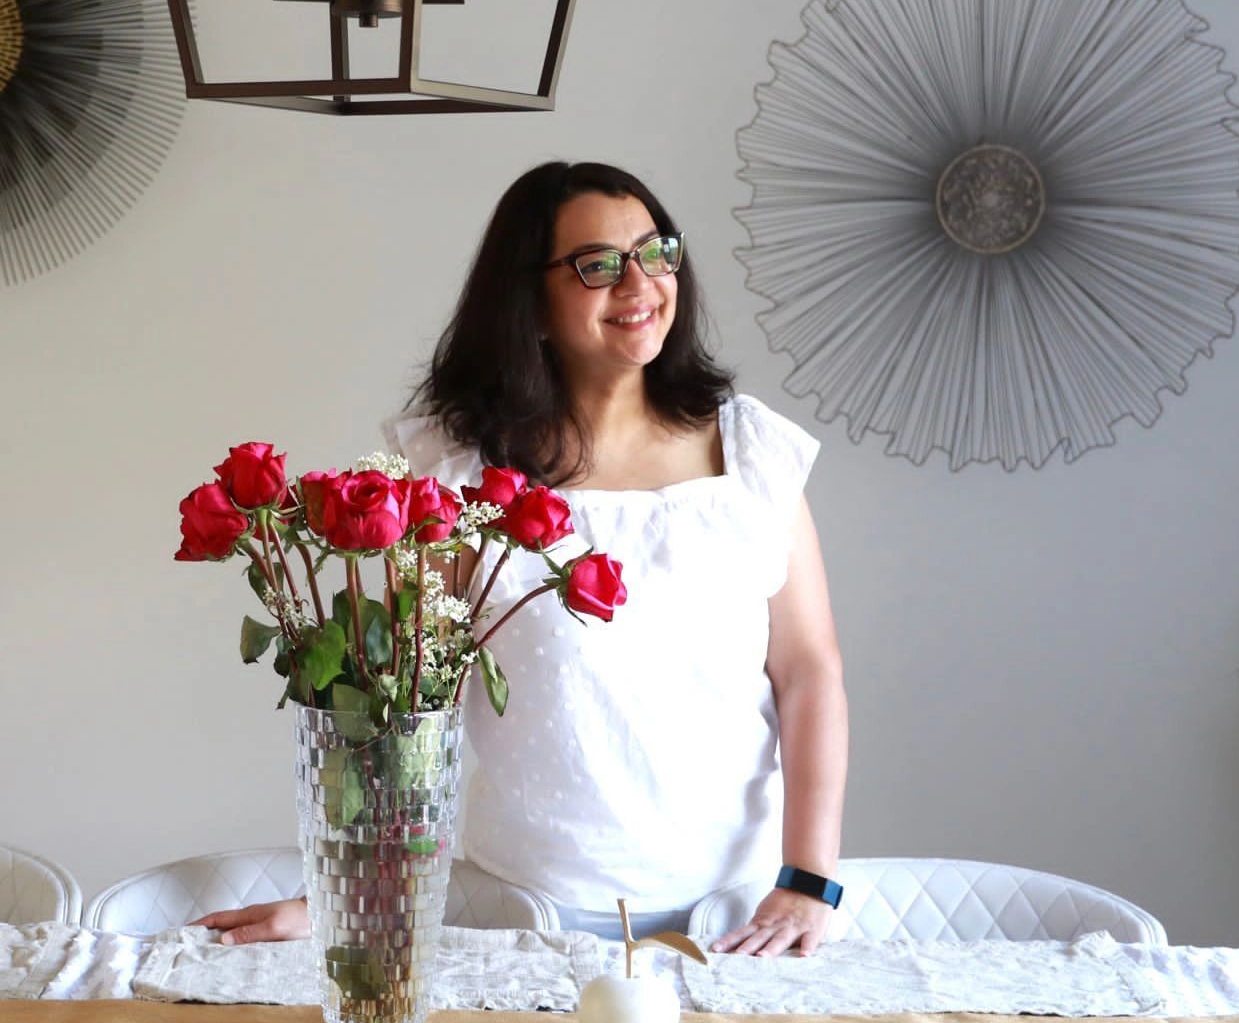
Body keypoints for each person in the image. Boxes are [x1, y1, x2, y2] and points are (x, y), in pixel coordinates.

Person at [198, 161, 849, 956]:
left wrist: (809, 879)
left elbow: (808, 672)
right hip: (524, 911)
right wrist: (348, 888)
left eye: (656, 252)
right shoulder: (459, 477)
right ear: (529, 302)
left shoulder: (752, 452)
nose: (640, 283)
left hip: (745, 915)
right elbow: (411, 700)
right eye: (598, 265)